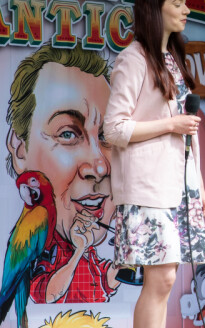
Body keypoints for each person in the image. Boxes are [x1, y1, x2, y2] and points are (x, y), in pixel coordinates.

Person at [104, 0, 205, 328]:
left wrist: (198, 184)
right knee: (161, 278)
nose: (186, 11)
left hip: (178, 184)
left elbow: (188, 130)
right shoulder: (132, 60)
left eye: (185, 3)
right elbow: (113, 129)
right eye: (177, 3)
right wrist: (169, 124)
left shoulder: (172, 59)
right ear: (154, 9)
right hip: (147, 186)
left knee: (167, 280)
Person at [5, 43, 119, 303]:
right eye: (67, 134)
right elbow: (47, 294)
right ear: (20, 150)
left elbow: (104, 280)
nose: (100, 167)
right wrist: (78, 252)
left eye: (106, 136)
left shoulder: (88, 247)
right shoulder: (41, 247)